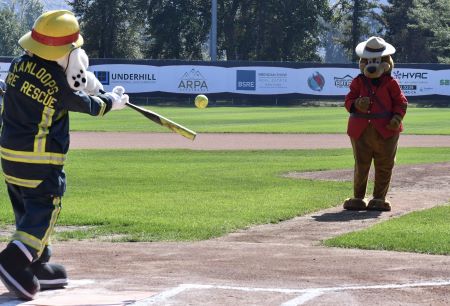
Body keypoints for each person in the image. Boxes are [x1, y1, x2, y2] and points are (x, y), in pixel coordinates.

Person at [0, 10, 128, 300]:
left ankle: (36, 263)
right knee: (44, 210)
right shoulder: (57, 82)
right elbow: (91, 106)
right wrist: (113, 100)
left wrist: (90, 83)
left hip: (9, 157)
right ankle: (15, 260)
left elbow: (76, 83)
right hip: (41, 161)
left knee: (26, 210)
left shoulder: (18, 65)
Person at [343, 36, 407, 212]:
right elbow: (348, 101)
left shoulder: (391, 83)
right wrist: (356, 104)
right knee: (361, 164)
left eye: (377, 61)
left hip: (386, 130)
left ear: (386, 63)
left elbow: (401, 103)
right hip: (360, 130)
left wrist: (397, 118)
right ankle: (358, 198)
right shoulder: (358, 81)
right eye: (369, 61)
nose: (372, 65)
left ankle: (379, 198)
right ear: (363, 62)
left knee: (384, 165)